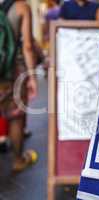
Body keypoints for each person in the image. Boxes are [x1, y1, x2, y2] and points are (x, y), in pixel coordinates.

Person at [0, 0, 38, 172]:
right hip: (12, 70)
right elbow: (28, 46)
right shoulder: (22, 7)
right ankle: (17, 161)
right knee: (16, 117)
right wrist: (32, 77)